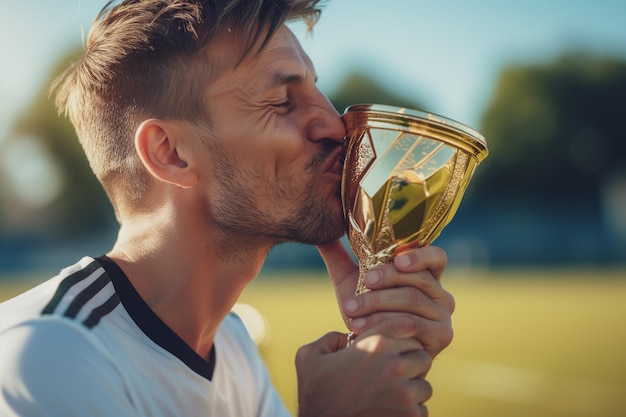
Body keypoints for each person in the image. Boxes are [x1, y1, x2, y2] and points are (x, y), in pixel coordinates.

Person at [0, 1, 455, 416]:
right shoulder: (51, 353)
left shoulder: (233, 347)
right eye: (281, 101)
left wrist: (374, 348)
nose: (336, 125)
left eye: (318, 89)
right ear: (170, 153)